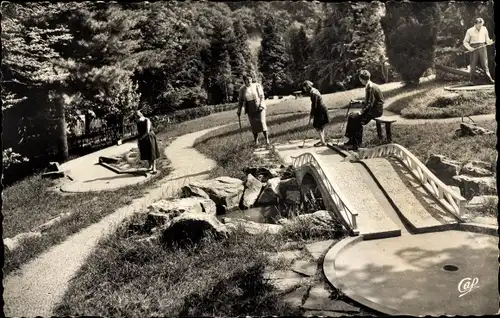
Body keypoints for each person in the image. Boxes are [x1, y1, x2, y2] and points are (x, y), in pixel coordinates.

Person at [343, 70, 384, 151]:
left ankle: (357, 144)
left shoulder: (370, 87)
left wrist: (360, 112)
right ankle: (351, 140)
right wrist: (357, 102)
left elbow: (369, 103)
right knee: (351, 116)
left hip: (376, 111)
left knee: (357, 120)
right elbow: (369, 101)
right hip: (373, 109)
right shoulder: (369, 85)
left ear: (361, 79)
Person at [237, 74, 270, 146]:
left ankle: (267, 140)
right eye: (247, 79)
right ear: (244, 81)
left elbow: (261, 96)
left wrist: (261, 104)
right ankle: (256, 141)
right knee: (254, 125)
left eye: (250, 79)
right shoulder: (242, 89)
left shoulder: (257, 85)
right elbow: (240, 101)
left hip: (259, 106)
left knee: (262, 122)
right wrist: (239, 110)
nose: (249, 81)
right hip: (249, 108)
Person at [463, 18, 495, 84]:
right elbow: (465, 42)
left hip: (482, 46)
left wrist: (489, 42)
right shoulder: (470, 30)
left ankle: (489, 80)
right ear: (475, 24)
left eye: (481, 25)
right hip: (473, 47)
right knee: (473, 64)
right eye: (479, 25)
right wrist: (469, 48)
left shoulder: (484, 29)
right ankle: (471, 81)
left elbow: (487, 40)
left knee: (485, 64)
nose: (481, 27)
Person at [301, 80, 329, 146]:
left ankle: (322, 142)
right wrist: (312, 113)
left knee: (318, 126)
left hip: (320, 110)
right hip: (320, 109)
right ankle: (322, 140)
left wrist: (312, 114)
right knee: (320, 126)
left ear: (307, 86)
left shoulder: (313, 93)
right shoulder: (313, 90)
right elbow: (314, 105)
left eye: (304, 87)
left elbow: (314, 105)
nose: (304, 89)